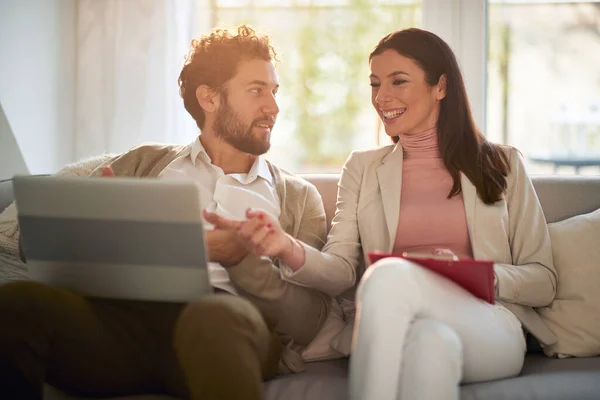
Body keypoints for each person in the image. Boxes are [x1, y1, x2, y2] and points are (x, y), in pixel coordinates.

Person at [205, 28, 557, 400]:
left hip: (489, 322)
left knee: (389, 275)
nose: (382, 97)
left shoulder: (503, 164)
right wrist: (283, 246)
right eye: (375, 84)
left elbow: (544, 281)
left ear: (440, 86)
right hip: (409, 327)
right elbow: (341, 272)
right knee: (431, 348)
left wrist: (471, 274)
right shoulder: (362, 168)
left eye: (398, 82)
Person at [0, 25, 331, 400]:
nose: (273, 107)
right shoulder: (141, 162)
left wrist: (242, 260)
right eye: (256, 90)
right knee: (17, 303)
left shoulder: (299, 198)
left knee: (214, 317)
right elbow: (35, 247)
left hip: (228, 325)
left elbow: (309, 321)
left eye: (274, 91)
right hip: (124, 326)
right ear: (209, 98)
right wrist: (93, 230)